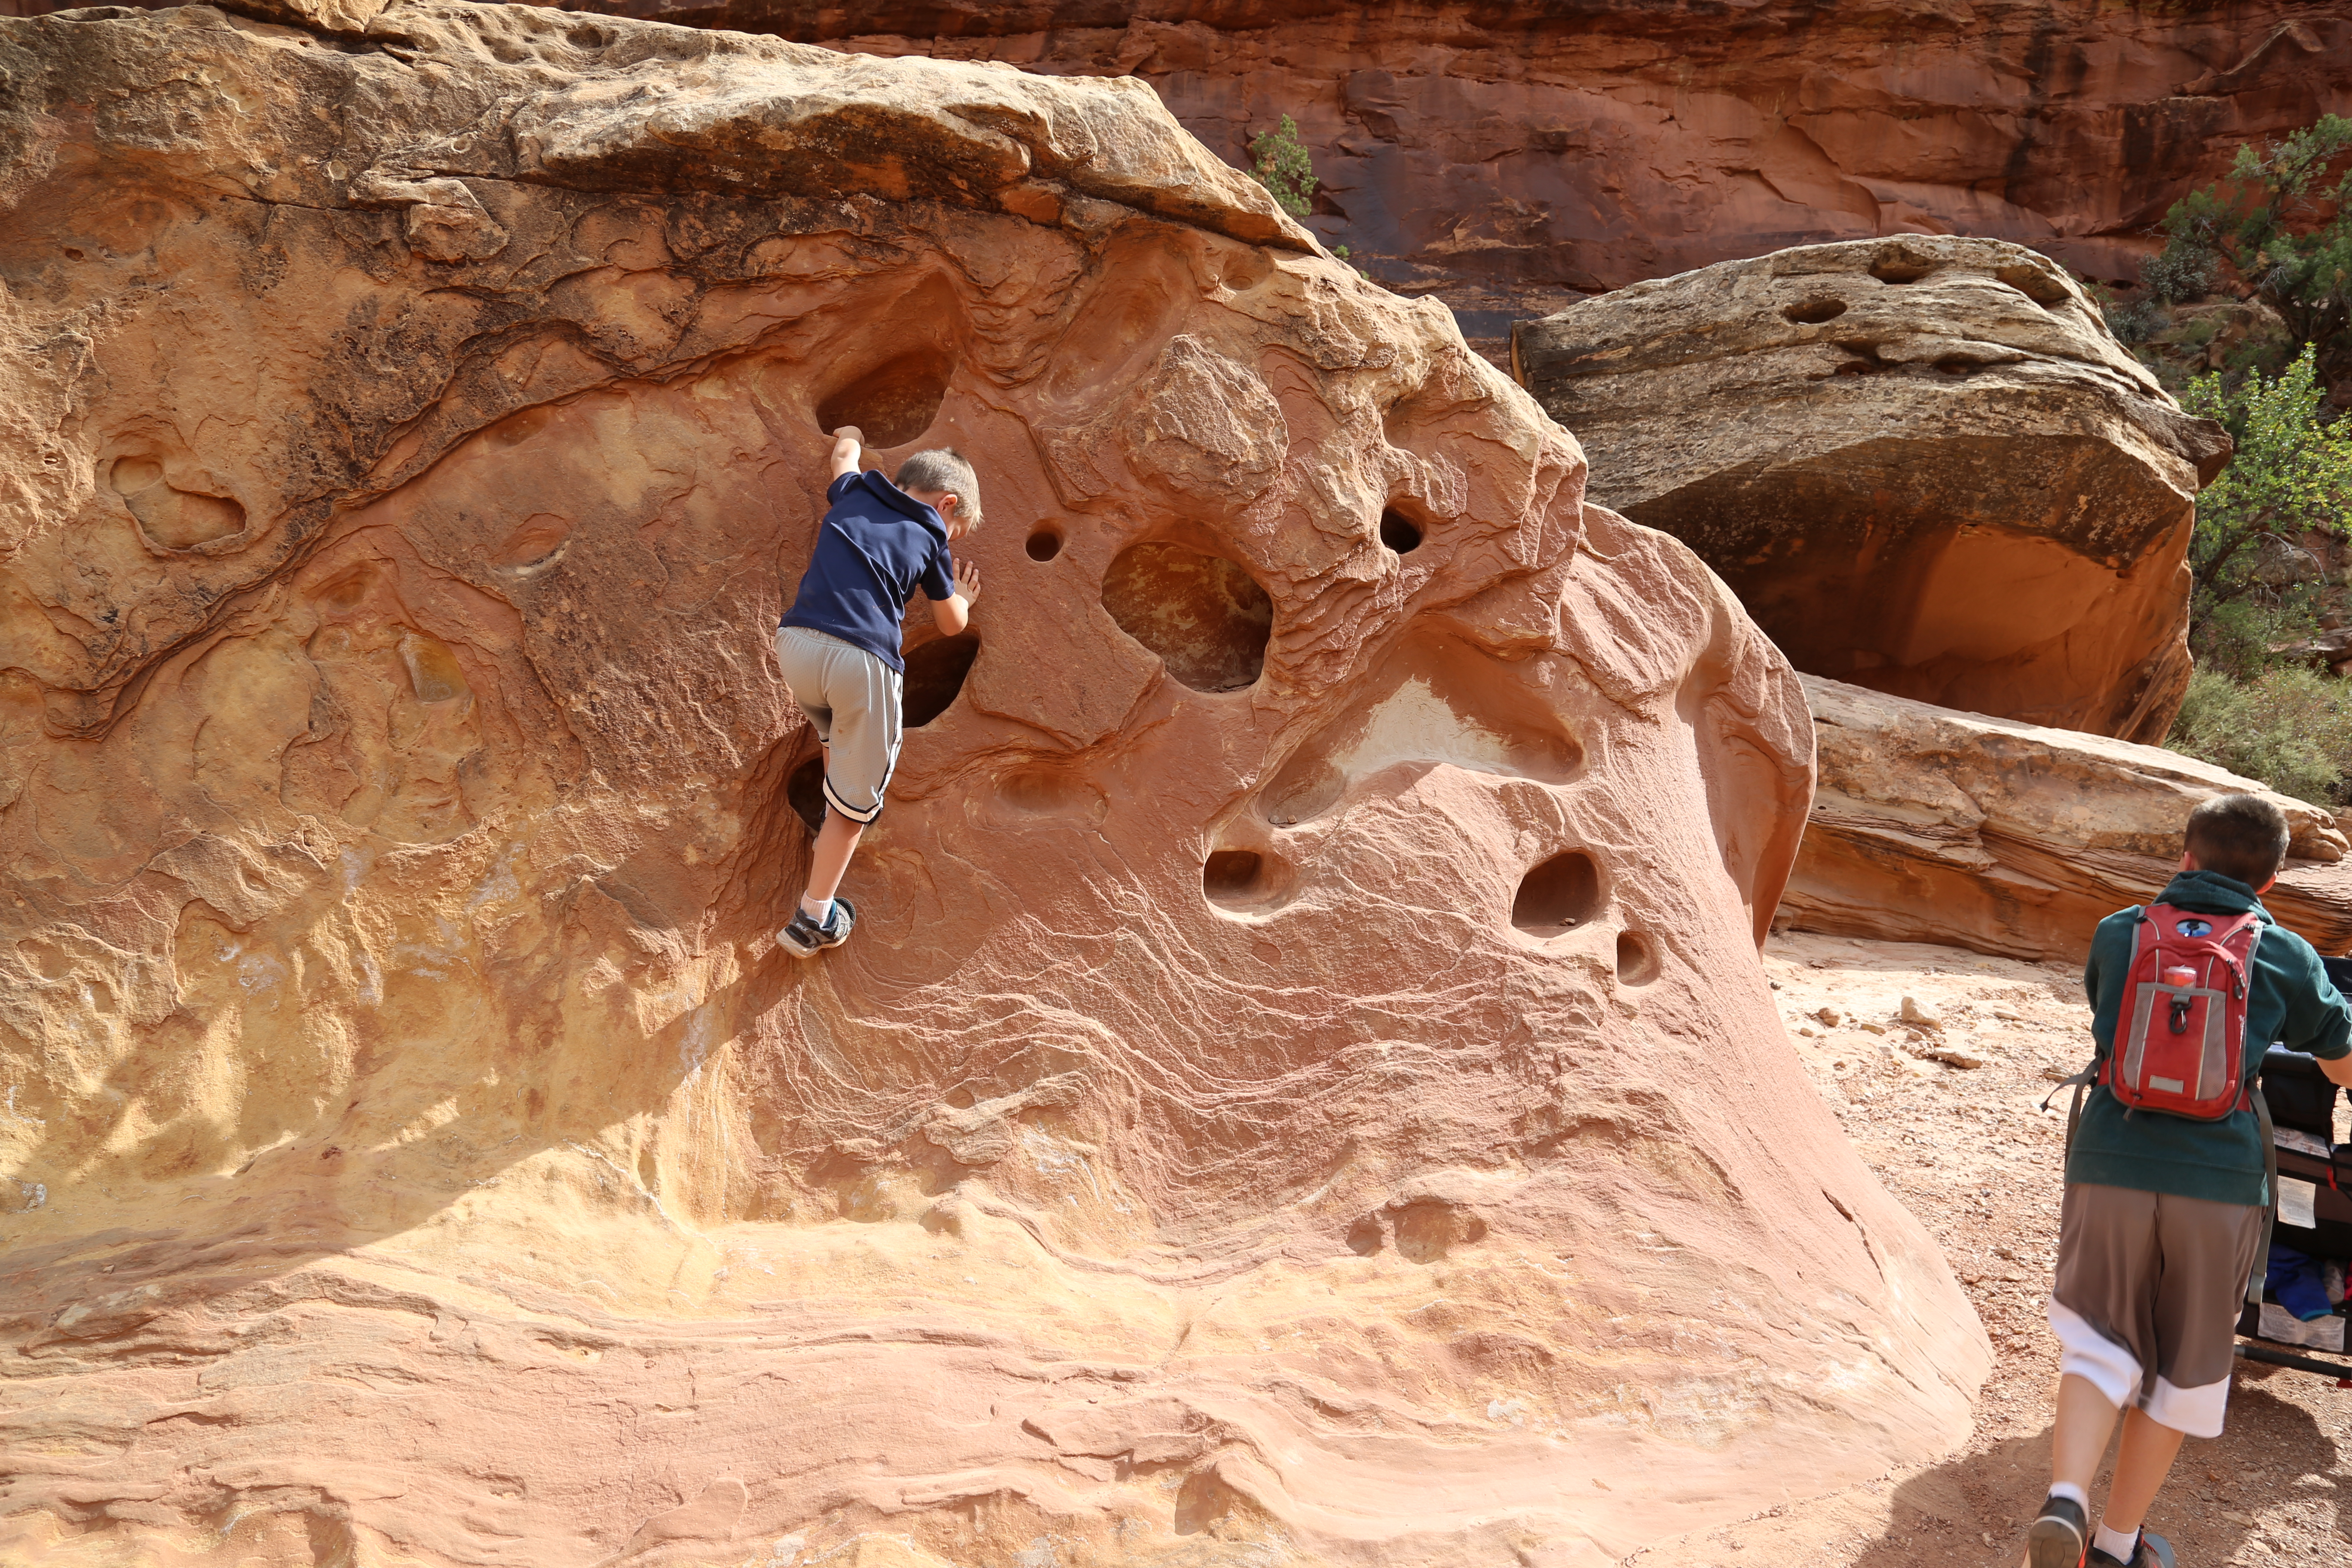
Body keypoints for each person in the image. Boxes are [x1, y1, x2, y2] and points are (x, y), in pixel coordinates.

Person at [2028, 793, 2352, 1567]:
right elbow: (2340, 1057)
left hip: (2111, 1159)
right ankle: (2115, 1546)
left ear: (2184, 855)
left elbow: (2108, 1022)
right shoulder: (2283, 951)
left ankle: (2066, 1497)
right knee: (2182, 1364)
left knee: (2097, 1339)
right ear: (2271, 880)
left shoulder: (2120, 931)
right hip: (2221, 1182)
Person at [771, 426, 982, 957]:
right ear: (947, 504)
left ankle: (830, 809)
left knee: (832, 731)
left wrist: (851, 434)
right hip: (862, 659)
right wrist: (962, 594)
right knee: (859, 803)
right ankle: (812, 918)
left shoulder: (857, 489)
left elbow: (842, 455)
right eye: (957, 528)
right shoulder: (931, 533)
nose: (949, 535)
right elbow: (952, 623)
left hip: (797, 645)